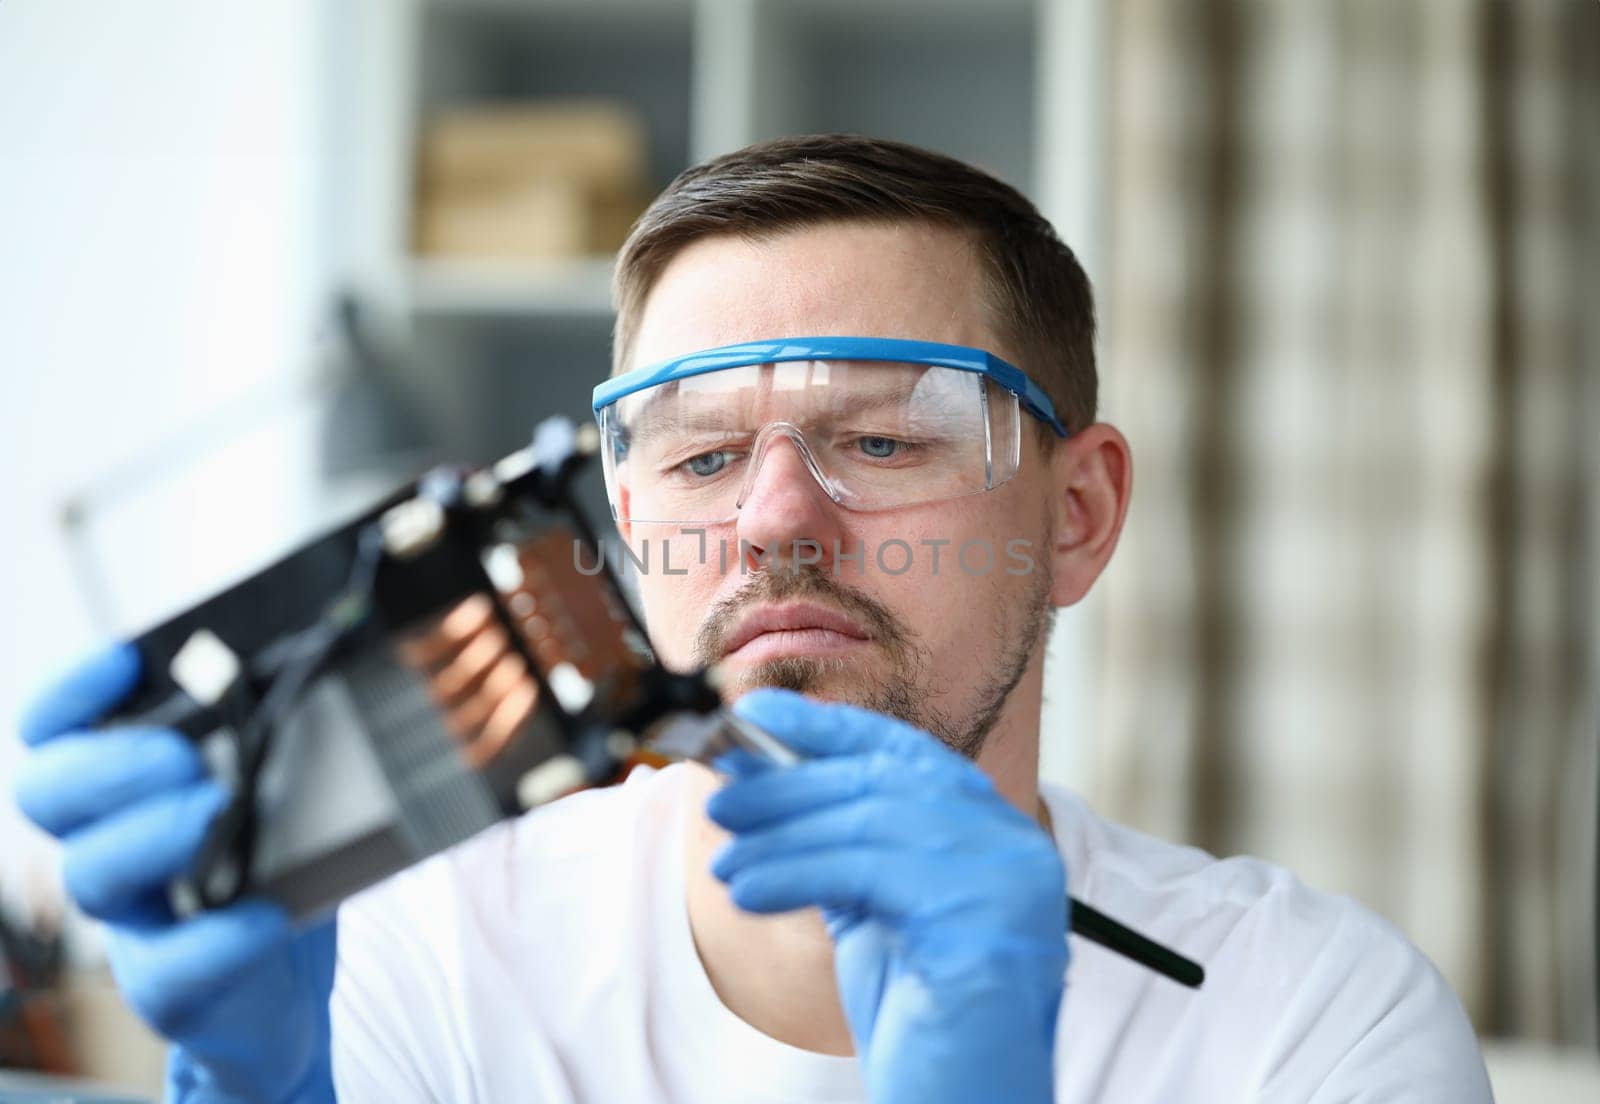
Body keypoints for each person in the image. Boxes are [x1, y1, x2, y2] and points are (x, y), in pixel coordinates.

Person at [12, 135, 1493, 1103]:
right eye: (703, 455)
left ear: (1077, 516)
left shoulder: (1314, 1026)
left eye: (888, 439)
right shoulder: (422, 953)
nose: (775, 521)